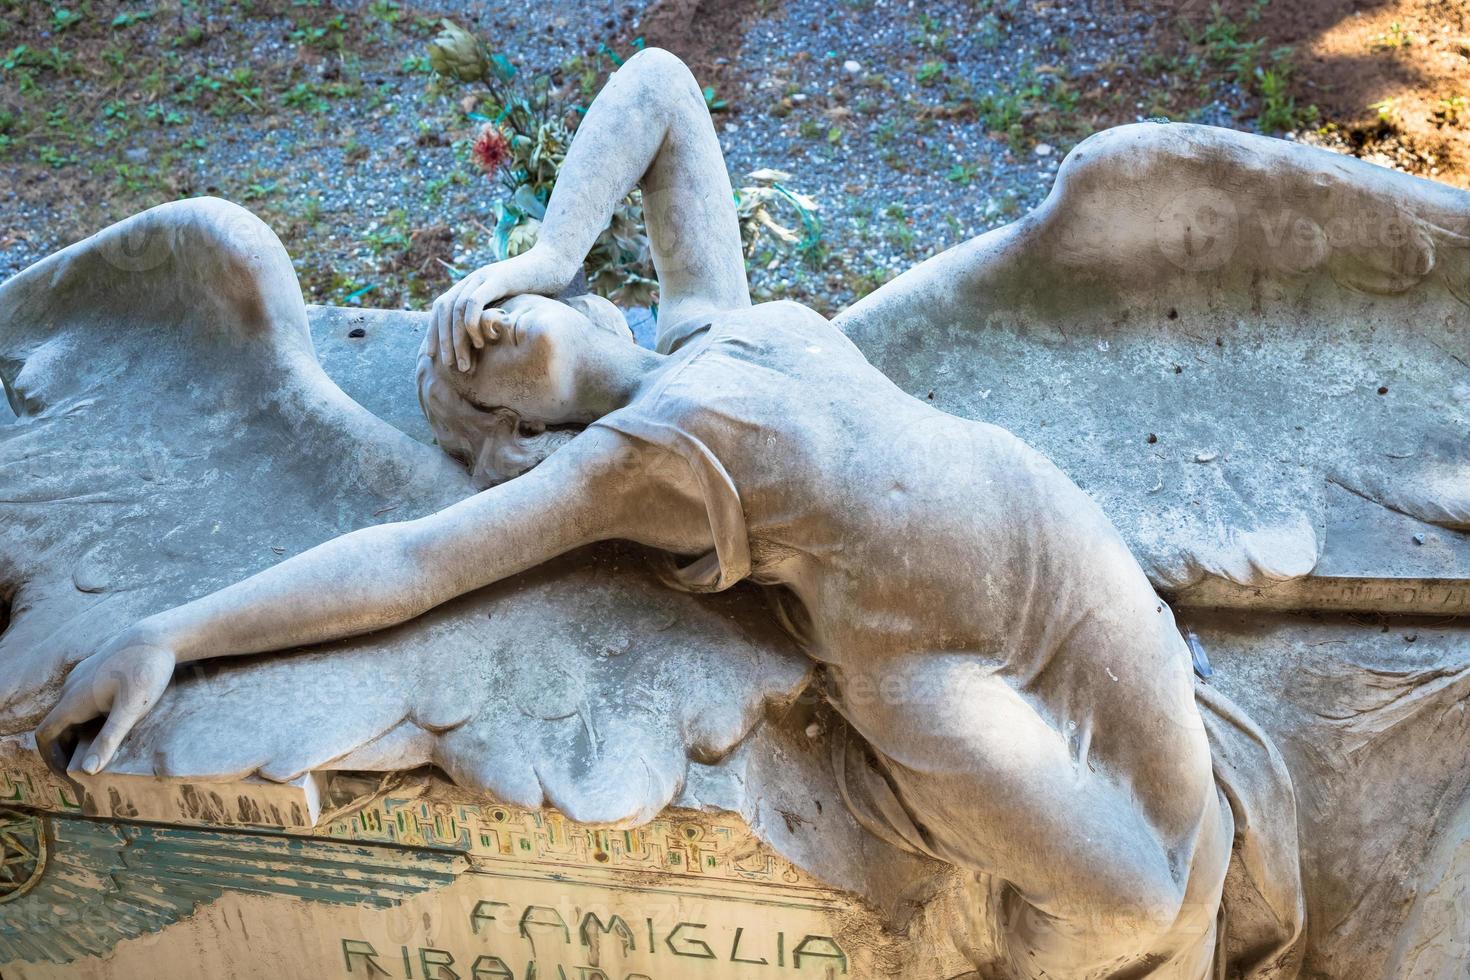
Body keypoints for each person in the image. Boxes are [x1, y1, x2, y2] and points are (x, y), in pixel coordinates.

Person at [39, 48, 1241, 978]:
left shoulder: (706, 323)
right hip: (931, 668)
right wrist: (174, 634)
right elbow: (407, 562)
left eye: (476, 314)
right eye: (471, 371)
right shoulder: (630, 466)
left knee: (1209, 831)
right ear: (528, 438)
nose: (481, 328)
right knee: (1139, 893)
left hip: (1041, 533)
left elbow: (661, 89)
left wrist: (549, 250)